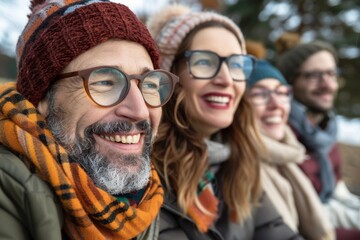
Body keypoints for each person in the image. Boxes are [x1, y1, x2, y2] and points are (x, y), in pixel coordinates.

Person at [0, 0, 179, 239]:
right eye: (105, 82)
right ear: (41, 98)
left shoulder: (158, 200)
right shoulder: (9, 202)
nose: (140, 111)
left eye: (149, 84)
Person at [147, 4, 304, 239]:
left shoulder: (240, 161)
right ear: (171, 77)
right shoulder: (144, 174)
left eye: (236, 64)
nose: (226, 78)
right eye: (204, 62)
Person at [276, 34, 360, 236]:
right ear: (290, 84)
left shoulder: (326, 131)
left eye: (331, 74)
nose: (328, 84)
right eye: (314, 75)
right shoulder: (280, 135)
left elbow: (338, 192)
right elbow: (299, 212)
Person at [246, 59, 335, 240]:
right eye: (260, 94)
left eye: (282, 92)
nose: (276, 104)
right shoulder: (240, 168)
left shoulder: (289, 155)